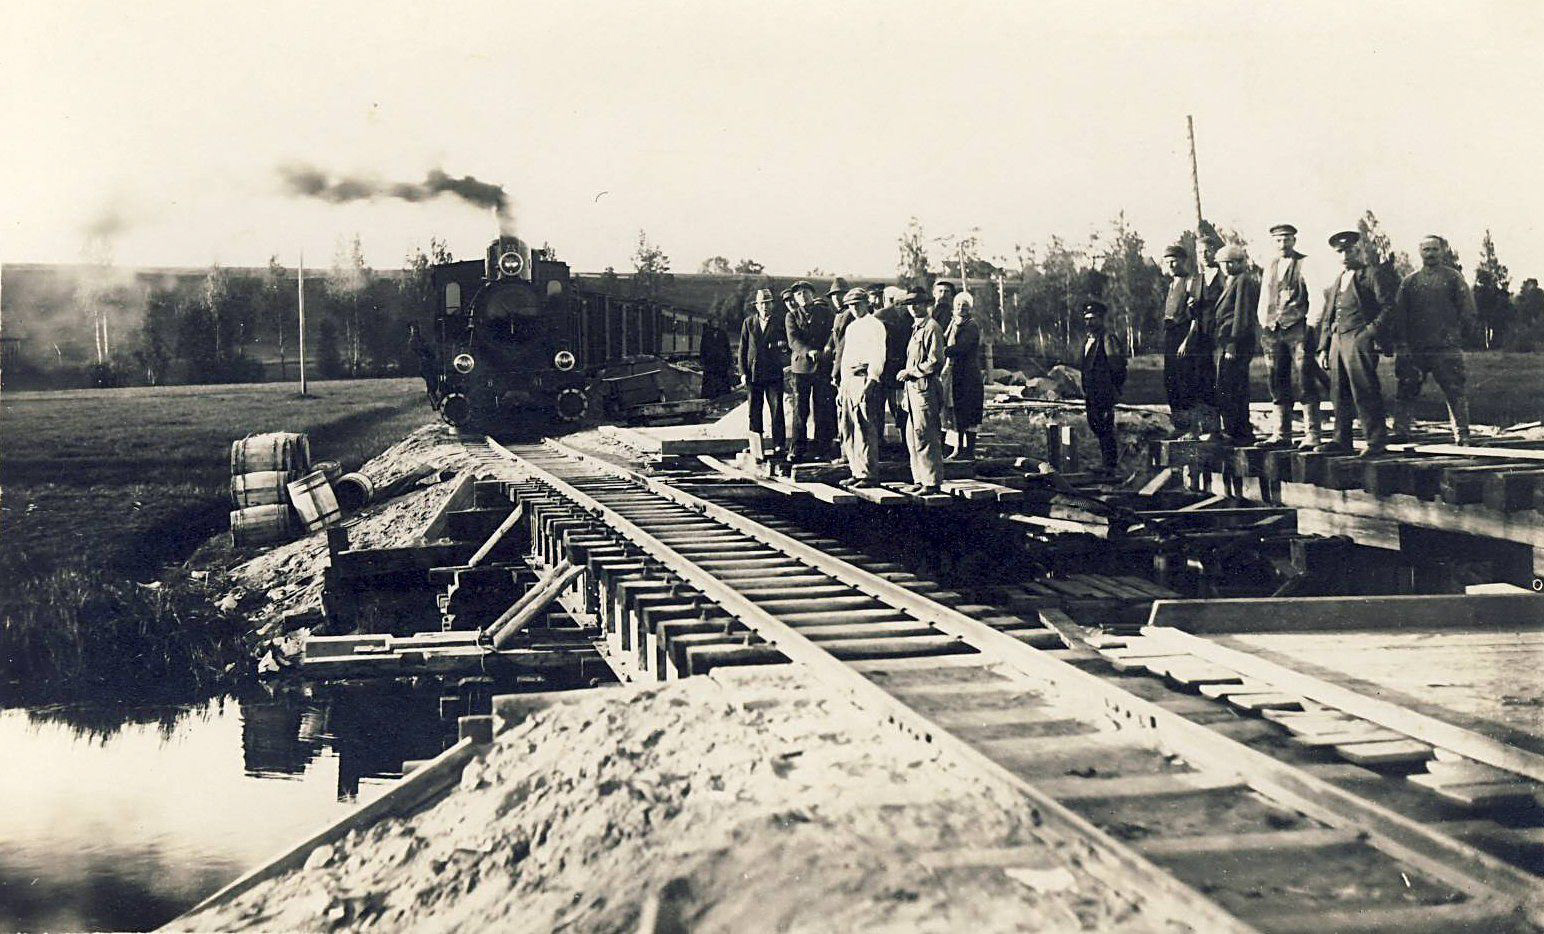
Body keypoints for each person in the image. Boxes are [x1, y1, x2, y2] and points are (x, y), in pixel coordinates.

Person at [1391, 235, 1477, 444]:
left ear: (1443, 251)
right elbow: (1399, 315)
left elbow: (1468, 311)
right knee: (1406, 389)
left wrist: (1459, 337)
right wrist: (1401, 344)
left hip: (1445, 348)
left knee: (1454, 390)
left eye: (1434, 249)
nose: (1430, 254)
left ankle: (1462, 434)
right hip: (1416, 349)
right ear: (1420, 252)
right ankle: (1402, 431)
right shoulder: (1409, 282)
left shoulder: (1453, 278)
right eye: (1426, 249)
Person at [1317, 230, 1393, 456]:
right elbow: (1328, 314)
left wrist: (1369, 332)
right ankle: (1341, 440)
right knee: (1338, 392)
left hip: (1358, 339)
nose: (1344, 255)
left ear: (1358, 250)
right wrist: (1323, 346)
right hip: (1337, 341)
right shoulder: (1338, 279)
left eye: (1349, 250)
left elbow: (1389, 306)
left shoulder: (1371, 274)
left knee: (1365, 389)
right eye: (1340, 251)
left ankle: (1376, 441)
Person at [1256, 223, 1322, 446]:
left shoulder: (1305, 263)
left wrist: (1310, 326)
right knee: (1276, 379)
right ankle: (1282, 434)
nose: (1282, 244)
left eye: (1286, 239)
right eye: (1278, 240)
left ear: (1294, 240)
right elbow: (1264, 298)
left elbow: (1316, 298)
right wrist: (1265, 323)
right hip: (1273, 330)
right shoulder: (1271, 265)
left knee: (1304, 378)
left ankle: (1312, 434)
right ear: (1273, 242)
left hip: (1297, 328)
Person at [1159, 243, 1213, 439]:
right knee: (1171, 381)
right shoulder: (1172, 284)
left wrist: (1187, 341)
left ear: (1183, 261)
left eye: (1174, 260)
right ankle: (1180, 426)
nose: (1171, 265)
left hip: (1186, 335)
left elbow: (1196, 317)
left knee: (1187, 382)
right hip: (1171, 335)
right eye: (1167, 261)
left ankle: (1193, 429)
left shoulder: (1193, 282)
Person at [834, 288, 887, 488]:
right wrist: (842, 386)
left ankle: (868, 474)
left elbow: (878, 354)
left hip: (865, 378)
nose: (854, 309)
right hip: (849, 380)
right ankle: (856, 471)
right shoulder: (851, 328)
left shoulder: (876, 325)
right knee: (848, 427)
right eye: (850, 306)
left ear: (866, 303)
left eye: (857, 304)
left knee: (865, 426)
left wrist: (872, 380)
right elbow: (845, 358)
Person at [898, 290, 946, 494]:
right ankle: (920, 478)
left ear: (926, 304)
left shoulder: (932, 327)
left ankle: (932, 482)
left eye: (917, 303)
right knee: (912, 436)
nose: (913, 307)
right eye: (909, 304)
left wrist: (911, 372)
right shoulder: (916, 328)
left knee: (926, 436)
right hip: (913, 391)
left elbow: (935, 361)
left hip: (925, 388)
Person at [1211, 243, 1259, 445]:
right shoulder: (1230, 281)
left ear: (1241, 263)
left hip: (1236, 341)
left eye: (1231, 263)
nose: (1227, 267)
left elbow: (1241, 314)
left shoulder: (1243, 281)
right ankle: (1233, 429)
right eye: (1223, 263)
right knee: (1226, 384)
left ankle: (1239, 431)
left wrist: (1233, 343)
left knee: (1234, 385)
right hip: (1227, 341)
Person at [785, 280, 837, 462]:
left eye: (806, 292)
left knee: (822, 407)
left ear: (813, 295)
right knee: (800, 409)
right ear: (795, 298)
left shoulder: (824, 313)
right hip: (801, 369)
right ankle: (797, 448)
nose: (803, 296)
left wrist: (828, 347)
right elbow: (793, 340)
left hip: (822, 366)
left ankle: (822, 447)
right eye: (798, 294)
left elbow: (834, 332)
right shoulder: (791, 316)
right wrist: (808, 351)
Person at [738, 288, 788, 455]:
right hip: (754, 374)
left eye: (767, 303)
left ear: (772, 305)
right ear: (756, 305)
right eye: (762, 303)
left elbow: (786, 345)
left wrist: (779, 349)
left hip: (773, 373)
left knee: (776, 409)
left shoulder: (779, 322)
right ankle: (756, 446)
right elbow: (742, 349)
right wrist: (743, 373)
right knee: (754, 410)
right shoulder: (748, 323)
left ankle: (779, 445)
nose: (765, 306)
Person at [1079, 300, 1127, 473]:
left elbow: (1117, 366)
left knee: (1105, 427)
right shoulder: (1088, 341)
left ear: (1100, 319)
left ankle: (1110, 465)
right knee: (1096, 425)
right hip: (1091, 392)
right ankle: (1105, 463)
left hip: (1104, 391)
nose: (1089, 322)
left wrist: (1114, 389)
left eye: (1092, 318)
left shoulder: (1107, 339)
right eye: (1086, 319)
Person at [944, 291, 983, 459]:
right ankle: (959, 448)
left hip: (969, 375)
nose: (961, 308)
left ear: (970, 308)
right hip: (956, 374)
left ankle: (969, 451)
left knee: (969, 412)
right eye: (959, 305)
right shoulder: (954, 323)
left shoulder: (971, 326)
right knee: (957, 412)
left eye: (965, 306)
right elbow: (944, 337)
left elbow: (962, 348)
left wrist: (942, 351)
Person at [879, 287, 916, 437]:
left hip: (905, 368)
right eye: (898, 304)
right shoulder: (882, 317)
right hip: (887, 369)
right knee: (889, 405)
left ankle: (905, 444)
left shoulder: (912, 319)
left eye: (904, 304)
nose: (901, 307)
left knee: (903, 407)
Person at [698, 316, 734, 398]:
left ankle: (723, 398)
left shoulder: (723, 334)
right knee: (710, 384)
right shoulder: (706, 334)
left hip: (721, 363)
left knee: (722, 383)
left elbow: (727, 348)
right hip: (710, 363)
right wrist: (702, 361)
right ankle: (709, 398)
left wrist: (730, 362)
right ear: (710, 323)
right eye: (713, 322)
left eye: (717, 321)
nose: (715, 323)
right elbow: (702, 348)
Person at [407, 322, 440, 404]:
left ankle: (435, 401)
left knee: (433, 383)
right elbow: (417, 353)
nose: (415, 331)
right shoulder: (413, 341)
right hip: (424, 365)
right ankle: (434, 402)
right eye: (413, 329)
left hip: (428, 364)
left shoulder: (421, 339)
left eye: (416, 329)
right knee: (432, 383)